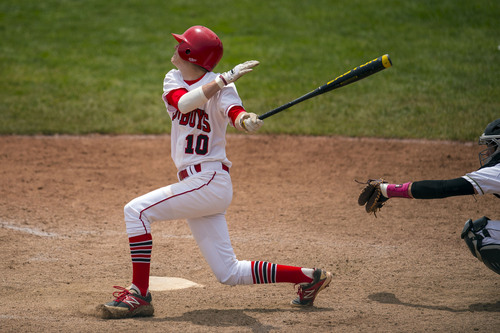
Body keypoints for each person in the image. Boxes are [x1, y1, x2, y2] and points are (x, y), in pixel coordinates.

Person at [97, 25, 332, 319]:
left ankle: (139, 296)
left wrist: (245, 120)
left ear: (189, 53)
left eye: (180, 45)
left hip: (209, 180)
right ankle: (309, 277)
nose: (174, 49)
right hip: (201, 185)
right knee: (228, 272)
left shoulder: (225, 88)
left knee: (136, 212)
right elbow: (183, 103)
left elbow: (235, 113)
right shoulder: (174, 79)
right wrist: (224, 78)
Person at [358, 118, 500, 275]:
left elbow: (444, 188)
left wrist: (388, 190)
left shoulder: (496, 172)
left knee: (478, 233)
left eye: (491, 146)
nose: (488, 152)